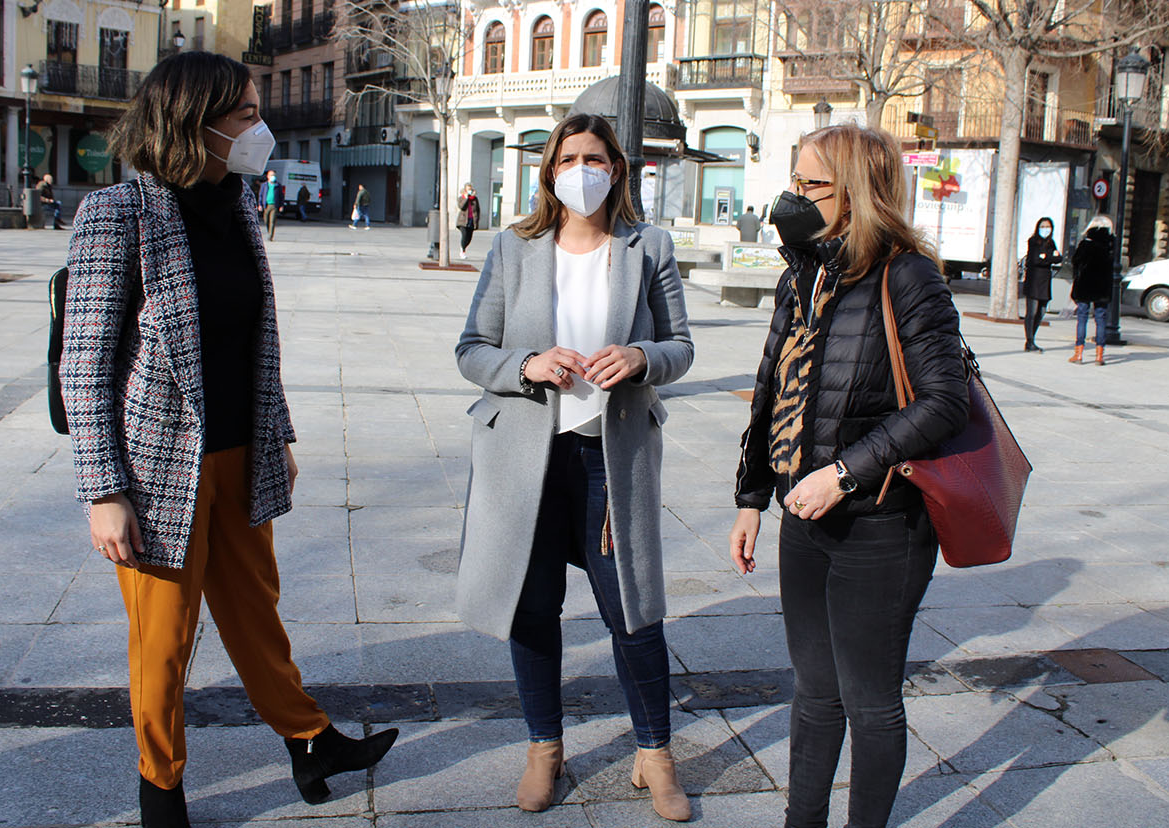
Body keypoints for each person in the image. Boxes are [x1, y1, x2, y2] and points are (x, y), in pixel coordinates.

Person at [61, 52, 397, 828]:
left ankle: (309, 740)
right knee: (165, 639)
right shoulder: (118, 212)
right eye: (246, 113)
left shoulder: (238, 202)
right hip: (157, 469)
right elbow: (85, 365)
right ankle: (161, 787)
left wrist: (275, 432)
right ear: (194, 121)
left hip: (240, 452)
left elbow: (256, 339)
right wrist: (103, 492)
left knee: (255, 608)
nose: (260, 127)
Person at [454, 112, 695, 821]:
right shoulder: (514, 247)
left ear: (616, 169)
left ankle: (654, 754)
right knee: (533, 611)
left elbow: (680, 345)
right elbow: (470, 349)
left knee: (633, 612)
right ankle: (545, 748)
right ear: (548, 171)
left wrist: (642, 358)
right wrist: (525, 364)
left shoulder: (647, 246)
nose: (580, 170)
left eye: (594, 158)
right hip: (524, 459)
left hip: (607, 460)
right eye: (567, 158)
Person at [728, 122, 969, 828]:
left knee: (868, 701)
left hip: (881, 526)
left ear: (857, 194)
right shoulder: (800, 272)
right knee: (813, 693)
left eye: (813, 186)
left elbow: (943, 402)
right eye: (793, 181)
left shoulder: (907, 275)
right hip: (801, 519)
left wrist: (844, 473)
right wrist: (750, 497)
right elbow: (770, 386)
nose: (793, 198)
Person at [1069, 215, 1114, 365]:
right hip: (1102, 288)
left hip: (1085, 286)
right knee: (1100, 320)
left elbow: (1075, 262)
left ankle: (1079, 353)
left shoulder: (1086, 244)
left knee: (1082, 317)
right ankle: (1099, 356)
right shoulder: (1110, 245)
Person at [1022, 217, 1062, 352]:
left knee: (1042, 311)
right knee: (1032, 312)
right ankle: (1029, 340)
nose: (1045, 229)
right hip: (1034, 280)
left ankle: (1032, 337)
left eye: (1048, 227)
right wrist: (1049, 257)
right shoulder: (1033, 241)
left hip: (1045, 281)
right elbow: (1034, 259)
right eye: (1043, 226)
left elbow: (1058, 258)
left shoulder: (1051, 243)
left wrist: (1046, 257)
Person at [456, 183, 481, 259]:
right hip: (463, 221)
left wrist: (477, 220)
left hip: (471, 220)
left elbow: (478, 209)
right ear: (465, 190)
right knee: (464, 235)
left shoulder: (474, 199)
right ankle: (462, 251)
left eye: (470, 189)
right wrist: (466, 198)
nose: (469, 191)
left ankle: (463, 247)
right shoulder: (461, 198)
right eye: (468, 189)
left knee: (469, 238)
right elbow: (461, 207)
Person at [260, 170, 281, 240]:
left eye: (274, 175)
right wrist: (260, 204)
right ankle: (269, 231)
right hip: (266, 205)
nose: (273, 177)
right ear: (268, 176)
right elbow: (261, 195)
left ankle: (270, 235)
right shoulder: (264, 185)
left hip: (274, 205)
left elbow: (281, 196)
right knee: (266, 220)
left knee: (272, 221)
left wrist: (281, 205)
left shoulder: (278, 185)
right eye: (271, 175)